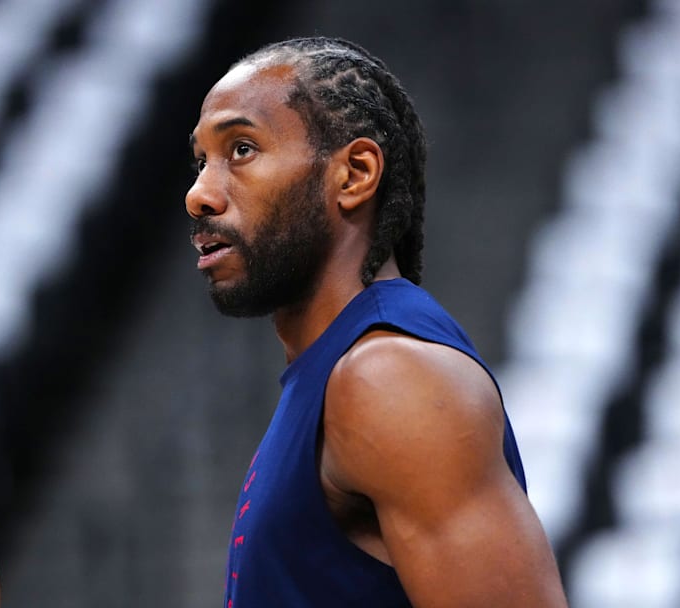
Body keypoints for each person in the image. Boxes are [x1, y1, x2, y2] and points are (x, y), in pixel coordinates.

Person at [186, 36, 568, 607]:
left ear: (355, 173)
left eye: (241, 149)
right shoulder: (335, 371)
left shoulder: (389, 379)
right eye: (201, 161)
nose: (199, 195)